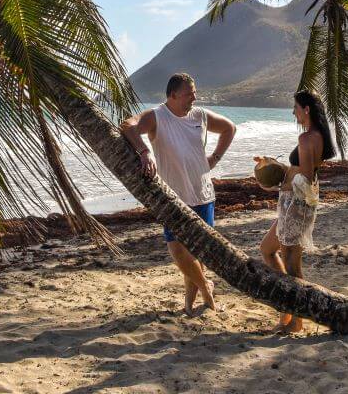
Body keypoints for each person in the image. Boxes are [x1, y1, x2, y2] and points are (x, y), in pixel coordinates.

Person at [120, 72, 236, 315]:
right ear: (172, 95)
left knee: (199, 252)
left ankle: (189, 305)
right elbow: (127, 126)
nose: (193, 98)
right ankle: (206, 287)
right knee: (178, 250)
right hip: (173, 196)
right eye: (188, 94)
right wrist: (144, 151)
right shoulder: (157, 116)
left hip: (203, 192)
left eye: (194, 93)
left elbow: (229, 128)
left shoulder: (200, 115)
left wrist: (214, 158)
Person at [257, 90, 336, 335]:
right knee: (267, 250)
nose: (293, 112)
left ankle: (296, 320)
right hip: (296, 205)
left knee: (292, 264)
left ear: (306, 109)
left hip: (296, 205)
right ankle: (287, 310)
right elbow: (302, 172)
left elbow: (305, 178)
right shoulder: (317, 136)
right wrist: (274, 166)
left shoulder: (306, 139)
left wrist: (277, 183)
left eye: (295, 108)